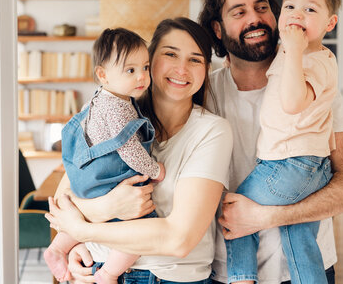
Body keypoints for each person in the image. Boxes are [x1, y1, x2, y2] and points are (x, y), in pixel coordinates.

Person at [198, 0, 343, 284]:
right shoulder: (203, 94)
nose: (255, 18)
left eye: (262, 7)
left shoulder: (312, 85)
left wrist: (267, 217)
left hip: (304, 272)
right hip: (223, 272)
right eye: (239, 12)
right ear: (218, 29)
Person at [46, 17, 233, 284]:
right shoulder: (111, 112)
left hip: (168, 278)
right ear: (151, 59)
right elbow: (62, 204)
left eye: (195, 59)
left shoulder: (212, 131)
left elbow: (178, 239)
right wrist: (86, 231)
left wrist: (82, 229)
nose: (182, 69)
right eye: (170, 54)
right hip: (96, 270)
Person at [223, 0, 340, 284]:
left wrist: (295, 50)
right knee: (300, 239)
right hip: (308, 167)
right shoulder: (209, 85)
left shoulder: (310, 60)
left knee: (234, 212)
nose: (297, 15)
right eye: (290, 6)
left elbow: (291, 102)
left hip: (289, 165)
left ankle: (241, 278)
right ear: (218, 30)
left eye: (310, 9)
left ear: (330, 24)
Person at [44, 28, 166, 284]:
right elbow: (130, 151)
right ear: (103, 75)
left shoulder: (100, 98)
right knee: (140, 227)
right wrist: (155, 170)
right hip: (108, 174)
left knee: (93, 216)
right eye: (130, 70)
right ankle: (108, 274)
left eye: (145, 67)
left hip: (86, 176)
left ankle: (57, 248)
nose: (142, 76)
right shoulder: (119, 108)